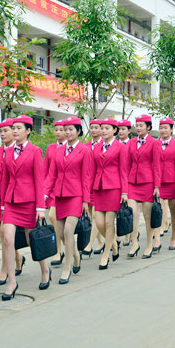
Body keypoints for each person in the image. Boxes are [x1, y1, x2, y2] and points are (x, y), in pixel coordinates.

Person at [1, 115, 49, 297]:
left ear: (28, 131)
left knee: (32, 240)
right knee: (7, 239)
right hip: (11, 201)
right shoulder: (7, 151)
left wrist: (40, 207)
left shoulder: (35, 151)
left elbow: (39, 179)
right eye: (13, 127)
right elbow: (5, 178)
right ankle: (12, 282)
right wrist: (4, 205)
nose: (15, 131)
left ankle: (45, 270)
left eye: (19, 128)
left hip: (29, 202)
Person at [44, 117, 93, 284]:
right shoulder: (58, 151)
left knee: (68, 231)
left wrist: (86, 200)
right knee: (60, 231)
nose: (67, 132)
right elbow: (52, 175)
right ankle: (76, 255)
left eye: (71, 129)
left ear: (78, 131)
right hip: (59, 195)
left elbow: (86, 176)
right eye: (65, 129)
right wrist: (44, 194)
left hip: (76, 195)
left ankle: (67, 268)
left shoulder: (85, 151)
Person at [0, 118, 22, 286]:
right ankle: (17, 258)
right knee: (4, 233)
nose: (3, 134)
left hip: (15, 197)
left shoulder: (18, 151)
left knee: (6, 234)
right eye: (1, 131)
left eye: (6, 130)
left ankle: (4, 269)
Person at [91, 118, 127, 269]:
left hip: (114, 187)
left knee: (108, 222)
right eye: (102, 128)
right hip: (98, 187)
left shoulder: (120, 147)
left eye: (107, 128)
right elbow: (92, 170)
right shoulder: (97, 147)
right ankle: (113, 243)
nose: (103, 131)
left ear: (114, 130)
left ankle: (106, 254)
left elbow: (123, 170)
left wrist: (124, 192)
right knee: (99, 222)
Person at [125, 115, 161, 259]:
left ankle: (149, 245)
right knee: (132, 214)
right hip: (132, 182)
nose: (138, 128)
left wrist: (157, 186)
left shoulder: (154, 143)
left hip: (148, 183)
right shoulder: (131, 143)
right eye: (137, 125)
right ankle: (134, 243)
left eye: (141, 125)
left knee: (147, 216)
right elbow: (127, 165)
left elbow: (157, 166)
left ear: (148, 127)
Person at [157, 119, 175, 250]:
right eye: (161, 127)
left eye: (166, 128)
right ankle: (157, 238)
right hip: (158, 182)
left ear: (171, 129)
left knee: (173, 211)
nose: (163, 130)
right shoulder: (155, 144)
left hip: (172, 181)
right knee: (156, 210)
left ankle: (173, 237)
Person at [81, 119, 105, 256]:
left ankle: (89, 244)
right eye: (92, 127)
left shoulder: (104, 145)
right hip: (87, 183)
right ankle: (101, 241)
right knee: (91, 214)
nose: (94, 130)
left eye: (97, 127)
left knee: (97, 215)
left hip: (99, 183)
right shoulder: (85, 146)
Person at [46, 119, 67, 267]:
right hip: (53, 189)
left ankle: (69, 248)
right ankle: (59, 251)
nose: (58, 133)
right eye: (56, 130)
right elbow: (46, 171)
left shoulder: (72, 147)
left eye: (61, 130)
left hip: (68, 190)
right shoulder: (51, 148)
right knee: (53, 218)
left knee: (63, 224)